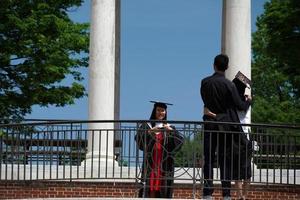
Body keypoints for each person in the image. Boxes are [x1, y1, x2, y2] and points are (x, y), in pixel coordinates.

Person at [200, 54, 252, 200]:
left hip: (209, 123)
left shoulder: (204, 82)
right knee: (225, 159)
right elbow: (240, 106)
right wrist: (248, 101)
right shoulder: (229, 85)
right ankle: (226, 193)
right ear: (227, 67)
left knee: (209, 157)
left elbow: (204, 99)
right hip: (225, 126)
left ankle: (208, 192)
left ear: (214, 65)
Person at [135, 101, 184, 198]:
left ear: (165, 112)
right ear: (154, 111)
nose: (160, 112)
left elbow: (180, 141)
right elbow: (138, 139)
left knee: (163, 186)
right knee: (150, 185)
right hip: (151, 161)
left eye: (162, 110)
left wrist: (172, 132)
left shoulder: (169, 127)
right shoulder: (147, 125)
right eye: (158, 110)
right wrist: (149, 132)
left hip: (165, 162)